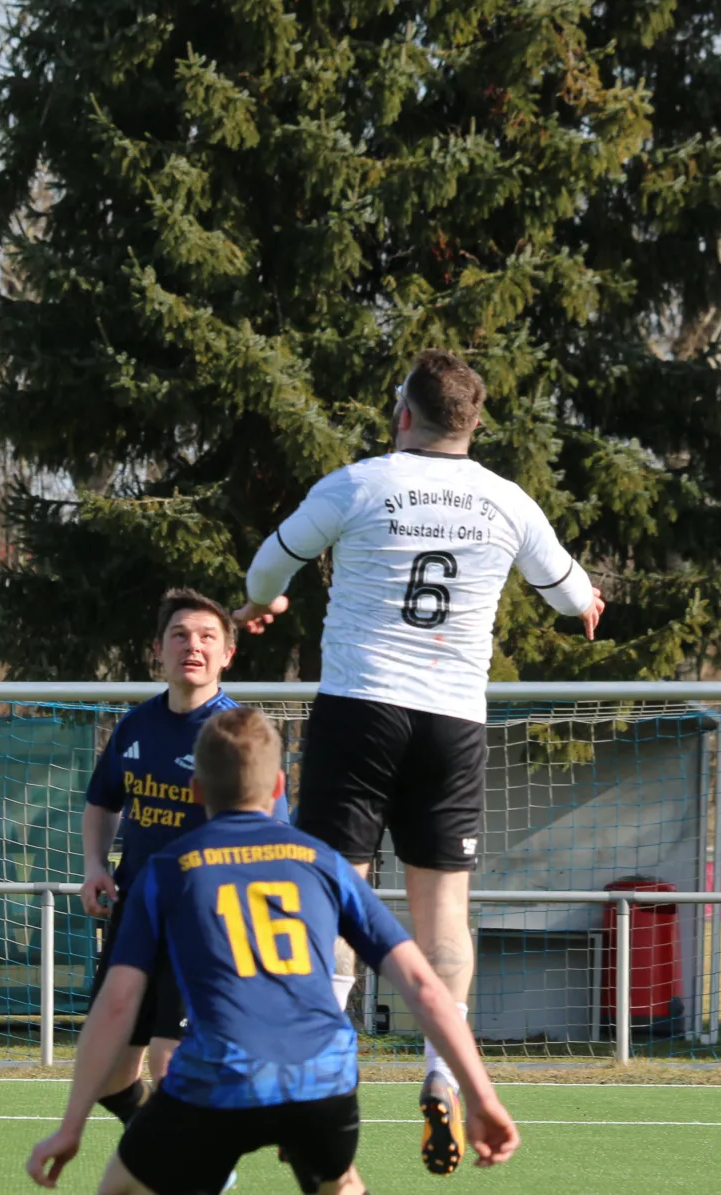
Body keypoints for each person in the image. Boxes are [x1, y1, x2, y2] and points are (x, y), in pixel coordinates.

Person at [233, 348, 601, 1173]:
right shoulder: (507, 500)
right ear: (473, 422)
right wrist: (586, 606)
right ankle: (441, 1072)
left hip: (360, 710)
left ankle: (319, 1073)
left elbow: (267, 565)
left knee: (335, 896)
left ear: (403, 414)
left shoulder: (359, 483)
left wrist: (260, 601)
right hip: (451, 724)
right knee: (443, 917)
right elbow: (573, 595)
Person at [27, 706, 518, 1195]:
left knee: (121, 1188)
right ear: (279, 786)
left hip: (217, 1084)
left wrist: (71, 1127)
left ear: (196, 790)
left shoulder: (166, 870)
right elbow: (422, 986)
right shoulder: (324, 863)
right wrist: (481, 1095)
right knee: (339, 1182)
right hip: (322, 1082)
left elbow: (117, 1003)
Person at [79, 589, 283, 1127]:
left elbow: (272, 836)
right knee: (107, 1074)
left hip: (206, 922)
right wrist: (95, 866)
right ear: (158, 650)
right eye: (180, 635)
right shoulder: (134, 726)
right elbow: (102, 801)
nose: (193, 646)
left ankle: (190, 1163)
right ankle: (169, 1149)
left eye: (207, 637)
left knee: (172, 1067)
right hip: (136, 916)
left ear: (227, 654)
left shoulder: (240, 735)